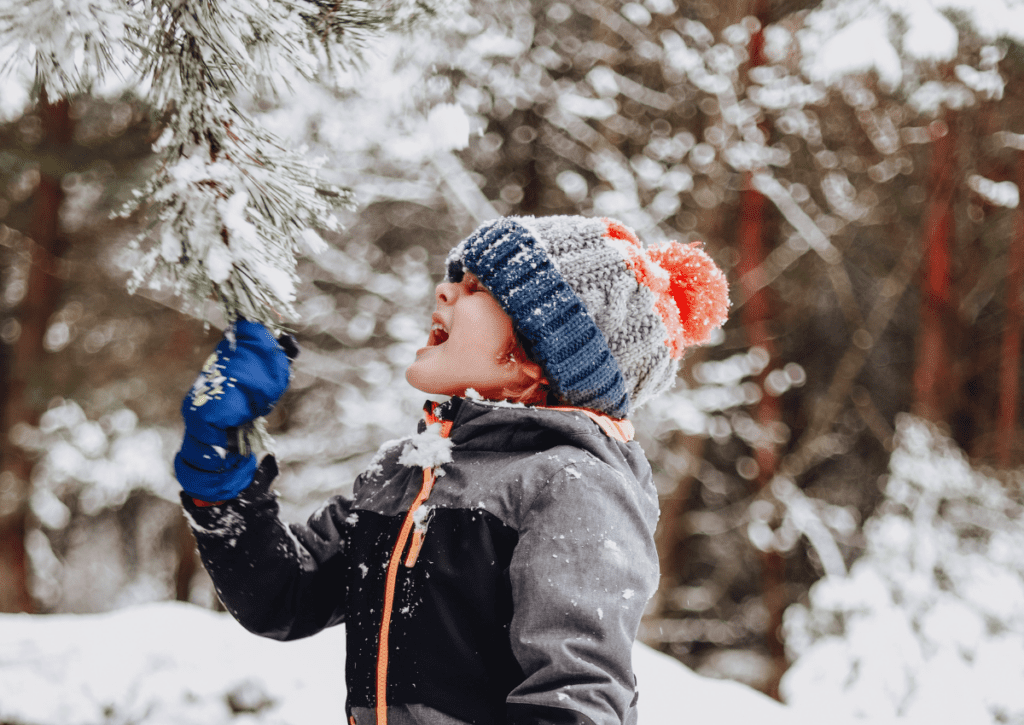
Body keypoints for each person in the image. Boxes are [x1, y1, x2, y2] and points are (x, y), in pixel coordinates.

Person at [174, 215, 729, 725]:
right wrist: (221, 470)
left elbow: (575, 695)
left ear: (536, 357)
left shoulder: (571, 486)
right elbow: (285, 596)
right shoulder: (406, 473)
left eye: (476, 289)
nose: (444, 291)